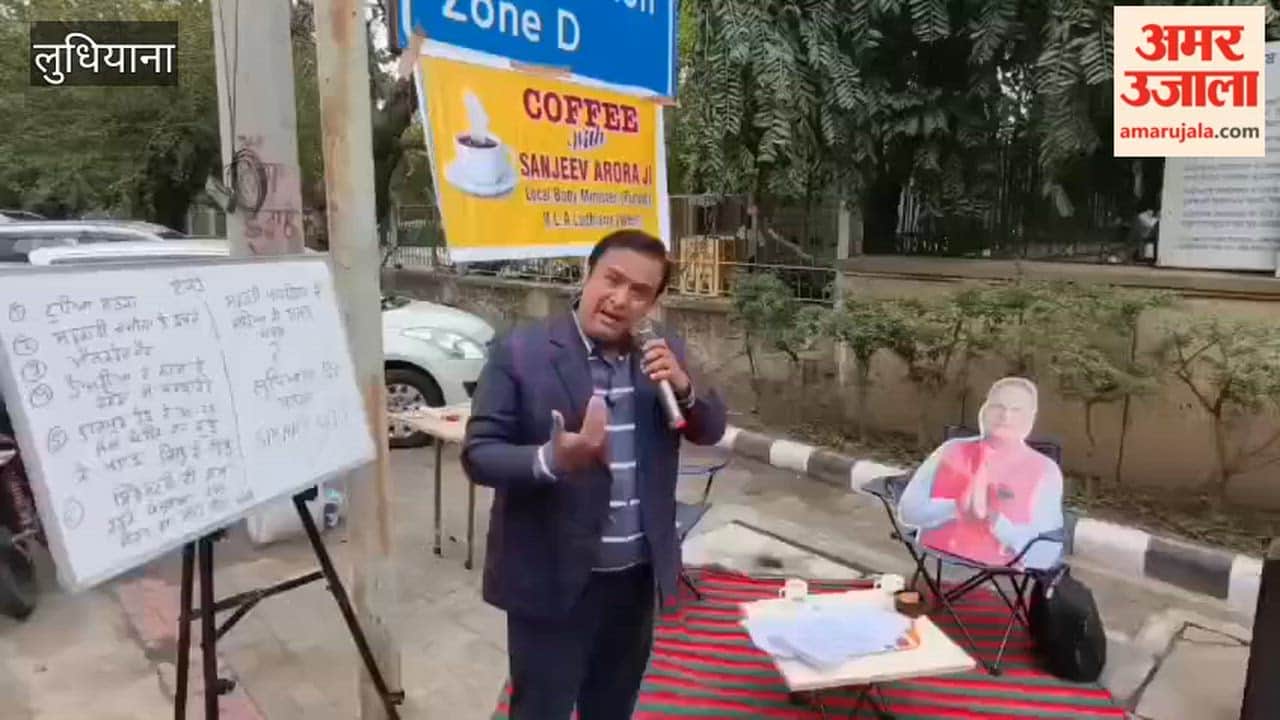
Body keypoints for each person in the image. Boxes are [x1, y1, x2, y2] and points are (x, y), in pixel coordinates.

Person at [462, 230, 727, 720]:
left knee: (613, 706)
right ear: (588, 274)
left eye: (640, 292)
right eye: (613, 280)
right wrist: (551, 459)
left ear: (654, 301)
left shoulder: (662, 352)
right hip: (552, 581)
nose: (621, 299)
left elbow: (710, 429)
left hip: (633, 581)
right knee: (541, 709)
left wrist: (684, 387)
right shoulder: (521, 352)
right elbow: (479, 454)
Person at [897, 377, 1064, 570]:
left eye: (1016, 410)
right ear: (984, 410)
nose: (1005, 416)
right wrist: (955, 506)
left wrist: (996, 521)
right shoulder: (951, 450)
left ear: (1030, 418)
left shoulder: (1044, 470)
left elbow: (1044, 553)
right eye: (997, 407)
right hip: (935, 567)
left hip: (996, 582)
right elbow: (908, 512)